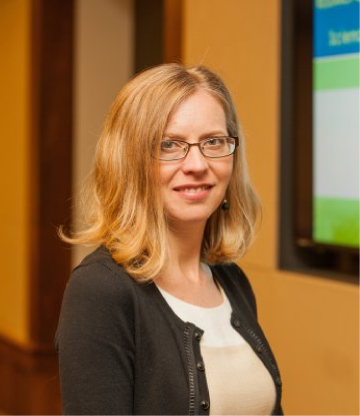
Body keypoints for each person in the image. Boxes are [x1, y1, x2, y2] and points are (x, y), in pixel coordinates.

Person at [56, 63, 283, 415]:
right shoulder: (99, 291)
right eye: (169, 144)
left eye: (213, 141)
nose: (197, 164)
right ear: (129, 162)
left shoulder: (232, 280)